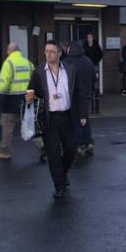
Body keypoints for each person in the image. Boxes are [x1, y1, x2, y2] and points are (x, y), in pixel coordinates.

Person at [26, 40, 88, 198]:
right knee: (53, 154)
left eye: (52, 51)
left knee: (71, 149)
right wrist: (28, 97)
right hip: (49, 119)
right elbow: (31, 91)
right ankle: (59, 186)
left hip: (67, 117)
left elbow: (79, 93)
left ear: (60, 53)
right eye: (46, 51)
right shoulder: (39, 72)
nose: (48, 54)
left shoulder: (70, 70)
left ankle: (62, 175)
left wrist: (82, 114)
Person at [0, 42, 33, 160]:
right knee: (31, 124)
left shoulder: (8, 63)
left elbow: (3, 84)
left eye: (7, 51)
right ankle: (43, 148)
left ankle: (5, 151)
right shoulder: (28, 63)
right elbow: (35, 81)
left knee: (7, 125)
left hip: (11, 100)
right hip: (27, 99)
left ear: (10, 51)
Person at [65, 40, 95, 156]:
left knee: (74, 120)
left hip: (73, 95)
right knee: (84, 118)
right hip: (86, 94)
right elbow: (93, 78)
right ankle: (89, 142)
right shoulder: (88, 61)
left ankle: (79, 144)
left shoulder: (67, 62)